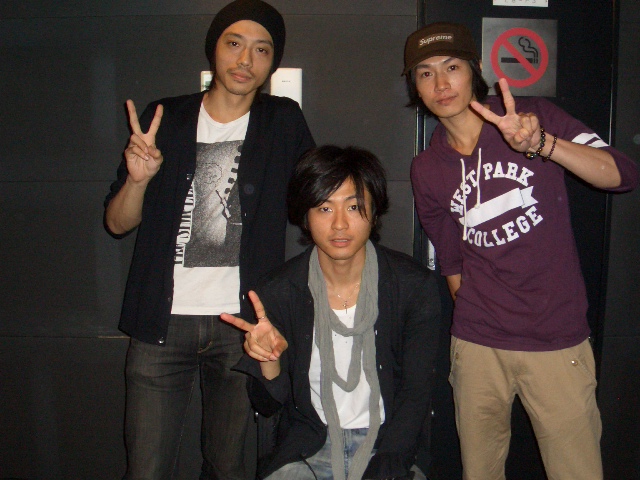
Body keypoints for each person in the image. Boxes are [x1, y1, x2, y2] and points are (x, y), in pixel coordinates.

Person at [404, 22, 639, 480]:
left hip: (555, 338)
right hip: (477, 345)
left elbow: (622, 174)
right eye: (425, 73)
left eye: (452, 67)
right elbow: (449, 256)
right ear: (415, 85)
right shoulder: (426, 167)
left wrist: (541, 145)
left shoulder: (535, 118)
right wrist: (475, 311)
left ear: (474, 71)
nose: (441, 84)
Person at [103, 0, 315, 478]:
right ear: (214, 49)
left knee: (227, 468)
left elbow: (315, 200)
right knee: (146, 469)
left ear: (272, 62)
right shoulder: (167, 117)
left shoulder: (282, 120)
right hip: (161, 322)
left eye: (261, 49)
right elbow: (117, 224)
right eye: (234, 43)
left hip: (239, 327)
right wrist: (137, 180)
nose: (245, 60)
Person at [220, 146, 441, 480]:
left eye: (353, 207)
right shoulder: (278, 291)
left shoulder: (412, 286)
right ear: (305, 217)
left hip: (388, 445)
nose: (339, 224)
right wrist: (269, 361)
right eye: (324, 208)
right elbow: (265, 406)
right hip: (309, 447)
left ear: (374, 213)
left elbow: (417, 394)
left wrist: (388, 465)